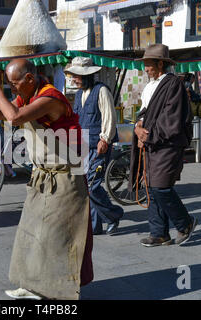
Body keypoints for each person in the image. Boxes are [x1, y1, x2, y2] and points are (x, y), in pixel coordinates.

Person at [0, 58, 93, 300]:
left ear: (30, 79)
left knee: (57, 237)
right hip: (42, 174)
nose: (12, 89)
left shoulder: (50, 98)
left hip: (65, 179)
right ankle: (32, 286)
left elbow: (15, 117)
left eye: (14, 84)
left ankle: (55, 291)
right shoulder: (29, 95)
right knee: (32, 233)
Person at [129, 44, 198, 247]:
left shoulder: (173, 85)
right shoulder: (150, 86)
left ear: (160, 64)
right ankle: (159, 233)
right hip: (151, 143)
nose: (146, 69)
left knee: (161, 187)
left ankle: (185, 223)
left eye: (149, 65)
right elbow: (143, 113)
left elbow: (171, 119)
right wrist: (137, 127)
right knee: (150, 186)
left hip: (167, 144)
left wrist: (146, 135)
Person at [65, 57, 124, 235]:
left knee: (92, 185)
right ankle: (94, 225)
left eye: (77, 76)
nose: (74, 79)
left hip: (98, 145)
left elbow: (109, 117)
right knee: (84, 186)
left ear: (87, 76)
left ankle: (113, 215)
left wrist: (104, 139)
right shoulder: (78, 95)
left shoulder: (101, 91)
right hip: (82, 145)